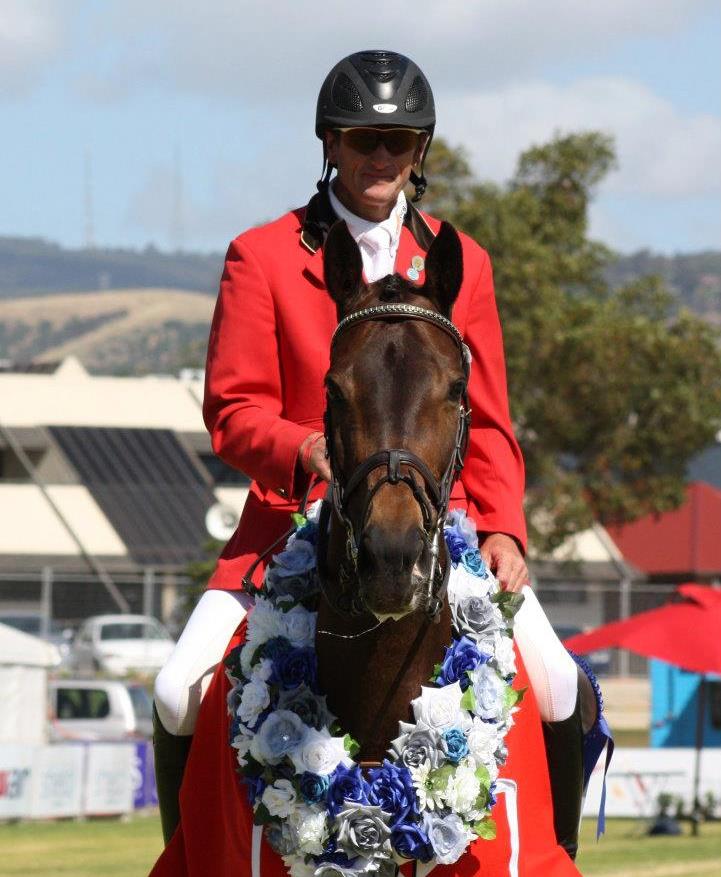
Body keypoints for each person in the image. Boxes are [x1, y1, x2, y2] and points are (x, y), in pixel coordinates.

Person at [152, 50, 601, 867]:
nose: (381, 156)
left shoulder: (462, 262)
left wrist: (503, 529)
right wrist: (306, 447)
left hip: (443, 527)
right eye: (364, 137)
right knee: (178, 688)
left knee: (560, 680)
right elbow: (232, 407)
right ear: (330, 141)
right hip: (289, 526)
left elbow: (490, 421)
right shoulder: (261, 256)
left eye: (399, 140)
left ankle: (551, 849)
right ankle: (200, 855)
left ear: (420, 151)